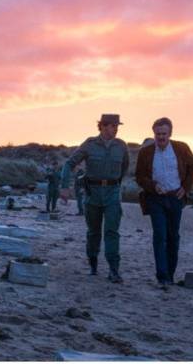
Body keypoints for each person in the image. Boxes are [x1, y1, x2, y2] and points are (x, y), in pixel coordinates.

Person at [60, 114, 130, 283]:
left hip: (112, 192)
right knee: (94, 232)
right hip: (93, 193)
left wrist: (115, 185)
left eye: (116, 126)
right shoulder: (90, 145)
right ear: (103, 126)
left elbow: (124, 167)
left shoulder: (121, 146)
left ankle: (114, 270)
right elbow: (69, 164)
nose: (115, 129)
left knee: (112, 231)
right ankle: (93, 264)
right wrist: (64, 186)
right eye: (112, 126)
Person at [135, 117, 193, 289]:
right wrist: (153, 186)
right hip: (155, 199)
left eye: (164, 134)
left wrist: (185, 188)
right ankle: (161, 276)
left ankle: (170, 274)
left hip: (176, 198)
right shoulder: (145, 152)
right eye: (158, 134)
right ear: (153, 133)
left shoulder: (182, 148)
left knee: (173, 237)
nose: (161, 137)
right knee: (160, 236)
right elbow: (139, 176)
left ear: (170, 133)